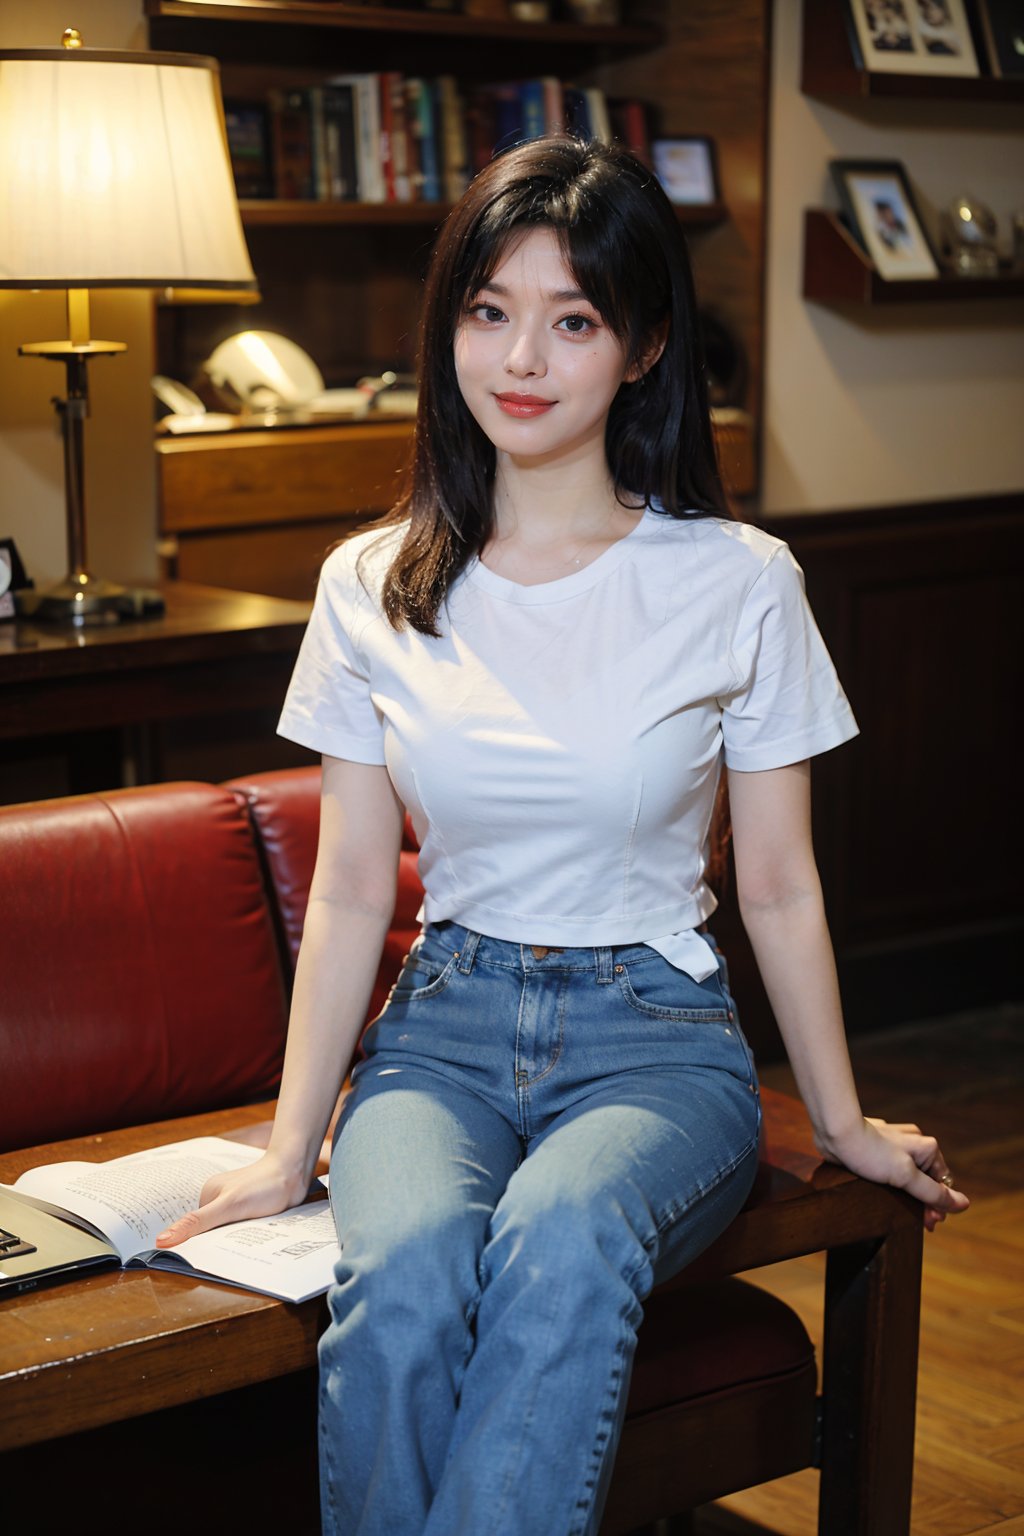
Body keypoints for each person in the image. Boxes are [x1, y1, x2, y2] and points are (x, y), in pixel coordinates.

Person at [156, 135, 968, 1536]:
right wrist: (291, 1153)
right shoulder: (372, 582)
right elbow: (352, 886)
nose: (521, 357)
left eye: (572, 319)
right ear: (449, 328)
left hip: (654, 1041)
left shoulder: (737, 583)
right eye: (490, 310)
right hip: (444, 1031)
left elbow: (776, 881)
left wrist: (839, 1118)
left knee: (563, 1238)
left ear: (644, 346)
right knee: (401, 1267)